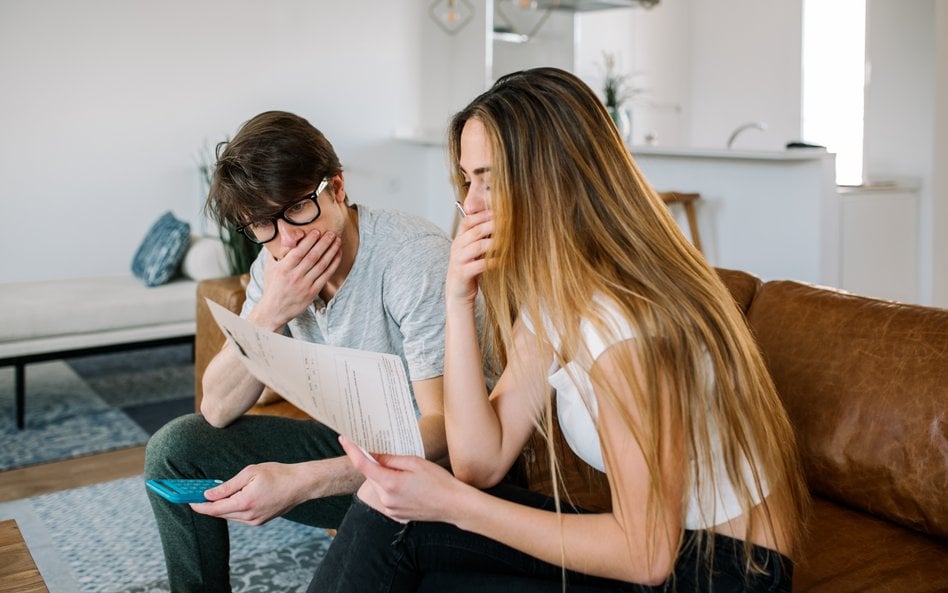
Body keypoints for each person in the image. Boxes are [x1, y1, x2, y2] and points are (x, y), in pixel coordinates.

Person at [308, 68, 809, 593]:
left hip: (725, 573)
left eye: (490, 180)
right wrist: (457, 300)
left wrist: (453, 504)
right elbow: (480, 462)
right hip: (673, 552)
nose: (470, 205)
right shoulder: (560, 294)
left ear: (555, 182)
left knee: (412, 532)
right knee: (387, 507)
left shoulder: (629, 333)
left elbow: (646, 557)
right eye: (468, 180)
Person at [144, 110, 453, 593]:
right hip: (352, 444)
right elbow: (217, 407)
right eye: (263, 224)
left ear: (337, 187)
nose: (288, 239)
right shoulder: (274, 264)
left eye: (297, 208)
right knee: (175, 451)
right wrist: (271, 310)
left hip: (430, 473)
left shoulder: (412, 258)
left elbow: (445, 432)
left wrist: (302, 481)